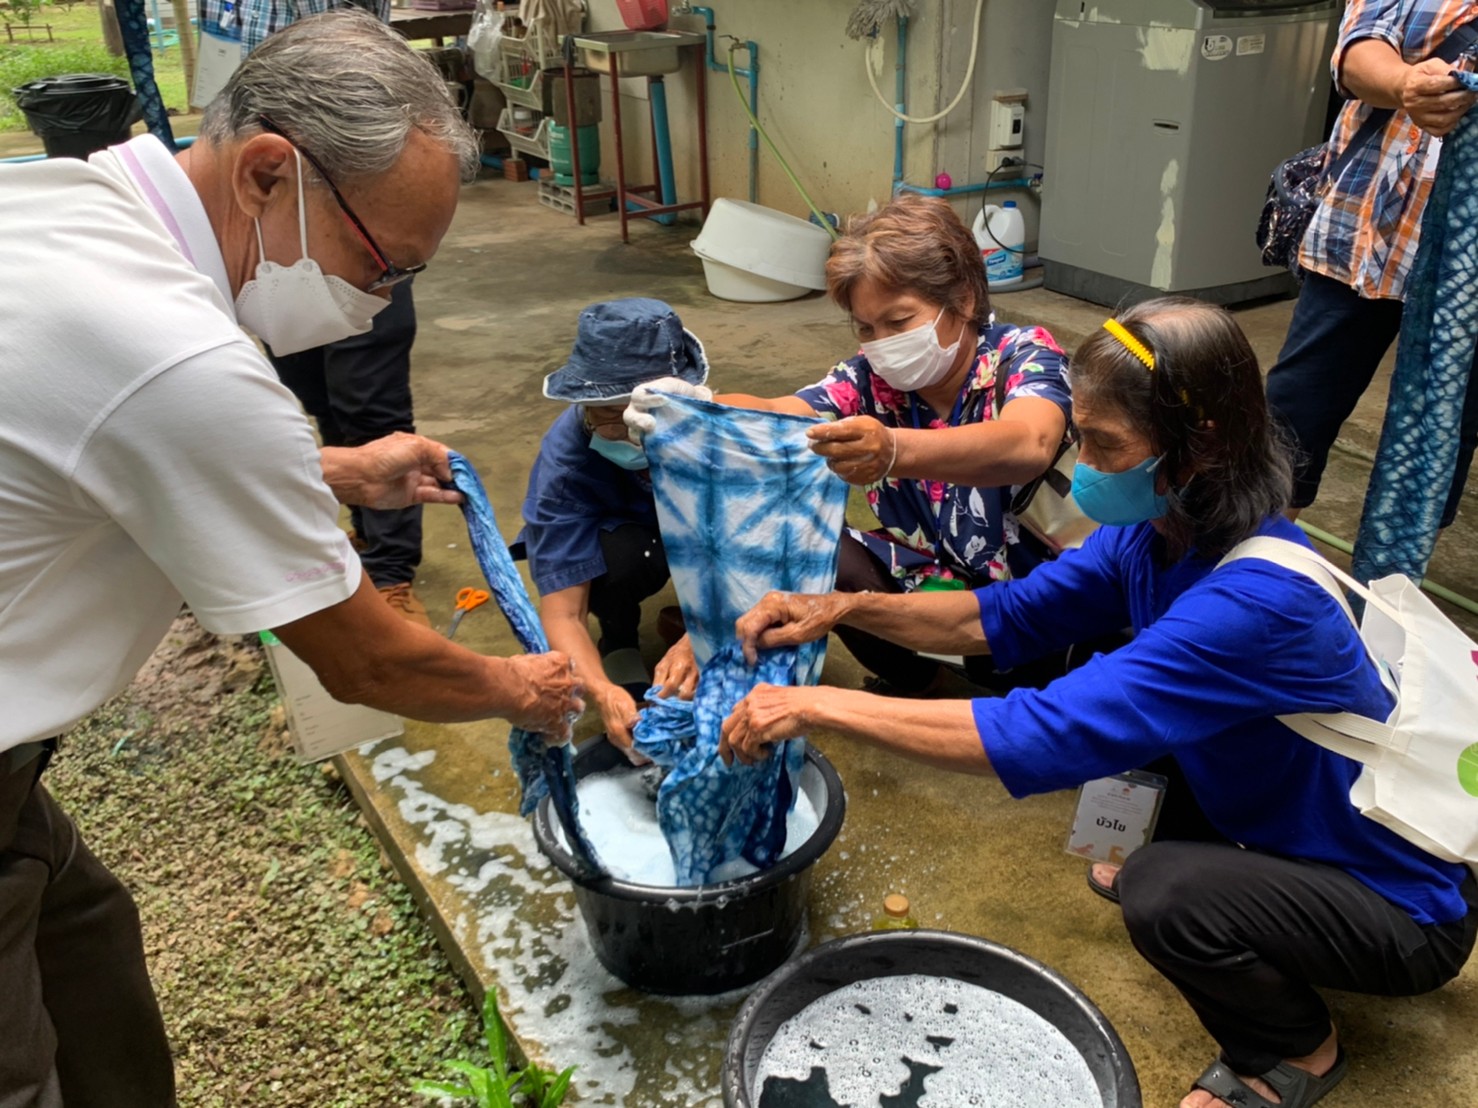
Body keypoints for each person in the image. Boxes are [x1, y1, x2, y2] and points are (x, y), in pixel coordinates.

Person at [0, 14, 580, 1106]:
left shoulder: (63, 202)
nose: (381, 301)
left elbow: (101, 442)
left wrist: (336, 470)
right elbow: (367, 661)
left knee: (90, 959)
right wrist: (524, 689)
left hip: (16, 763)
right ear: (269, 172)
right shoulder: (182, 359)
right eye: (382, 265)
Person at [719, 298, 1476, 1108]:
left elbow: (1037, 734)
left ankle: (1294, 1050)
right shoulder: (1160, 531)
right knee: (1141, 714)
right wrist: (841, 608)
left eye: (1108, 445)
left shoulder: (1257, 603)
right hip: (1292, 828)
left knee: (1165, 892)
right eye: (1082, 436)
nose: (1086, 466)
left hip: (1401, 909)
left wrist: (813, 706)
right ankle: (1241, 886)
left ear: (1200, 445)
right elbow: (1003, 616)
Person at [628, 193, 1075, 696]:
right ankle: (924, 686)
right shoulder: (866, 383)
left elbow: (1029, 442)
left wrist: (894, 451)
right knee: (815, 547)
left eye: (899, 322)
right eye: (865, 328)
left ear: (965, 299)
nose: (882, 343)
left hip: (1042, 603)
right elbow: (776, 413)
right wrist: (693, 410)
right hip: (940, 583)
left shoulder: (1023, 357)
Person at [198, 0, 434, 624]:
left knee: (370, 403)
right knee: (315, 392)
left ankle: (391, 571)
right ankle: (368, 526)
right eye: (389, 268)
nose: (387, 295)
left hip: (341, 175)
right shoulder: (181, 336)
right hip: (282, 211)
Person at [1265, 0, 1478, 524]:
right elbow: (1358, 49)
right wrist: (1406, 84)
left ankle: (1395, 568)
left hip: (1468, 270)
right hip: (1365, 236)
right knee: (1292, 417)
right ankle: (1249, 557)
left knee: (1438, 440)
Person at [520, 298, 705, 755]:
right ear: (584, 406)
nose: (632, 435)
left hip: (690, 535)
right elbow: (563, 613)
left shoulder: (703, 423)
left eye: (645, 421)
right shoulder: (564, 474)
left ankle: (697, 621)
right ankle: (619, 640)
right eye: (611, 421)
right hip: (630, 539)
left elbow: (748, 536)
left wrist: (703, 637)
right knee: (620, 559)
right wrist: (601, 691)